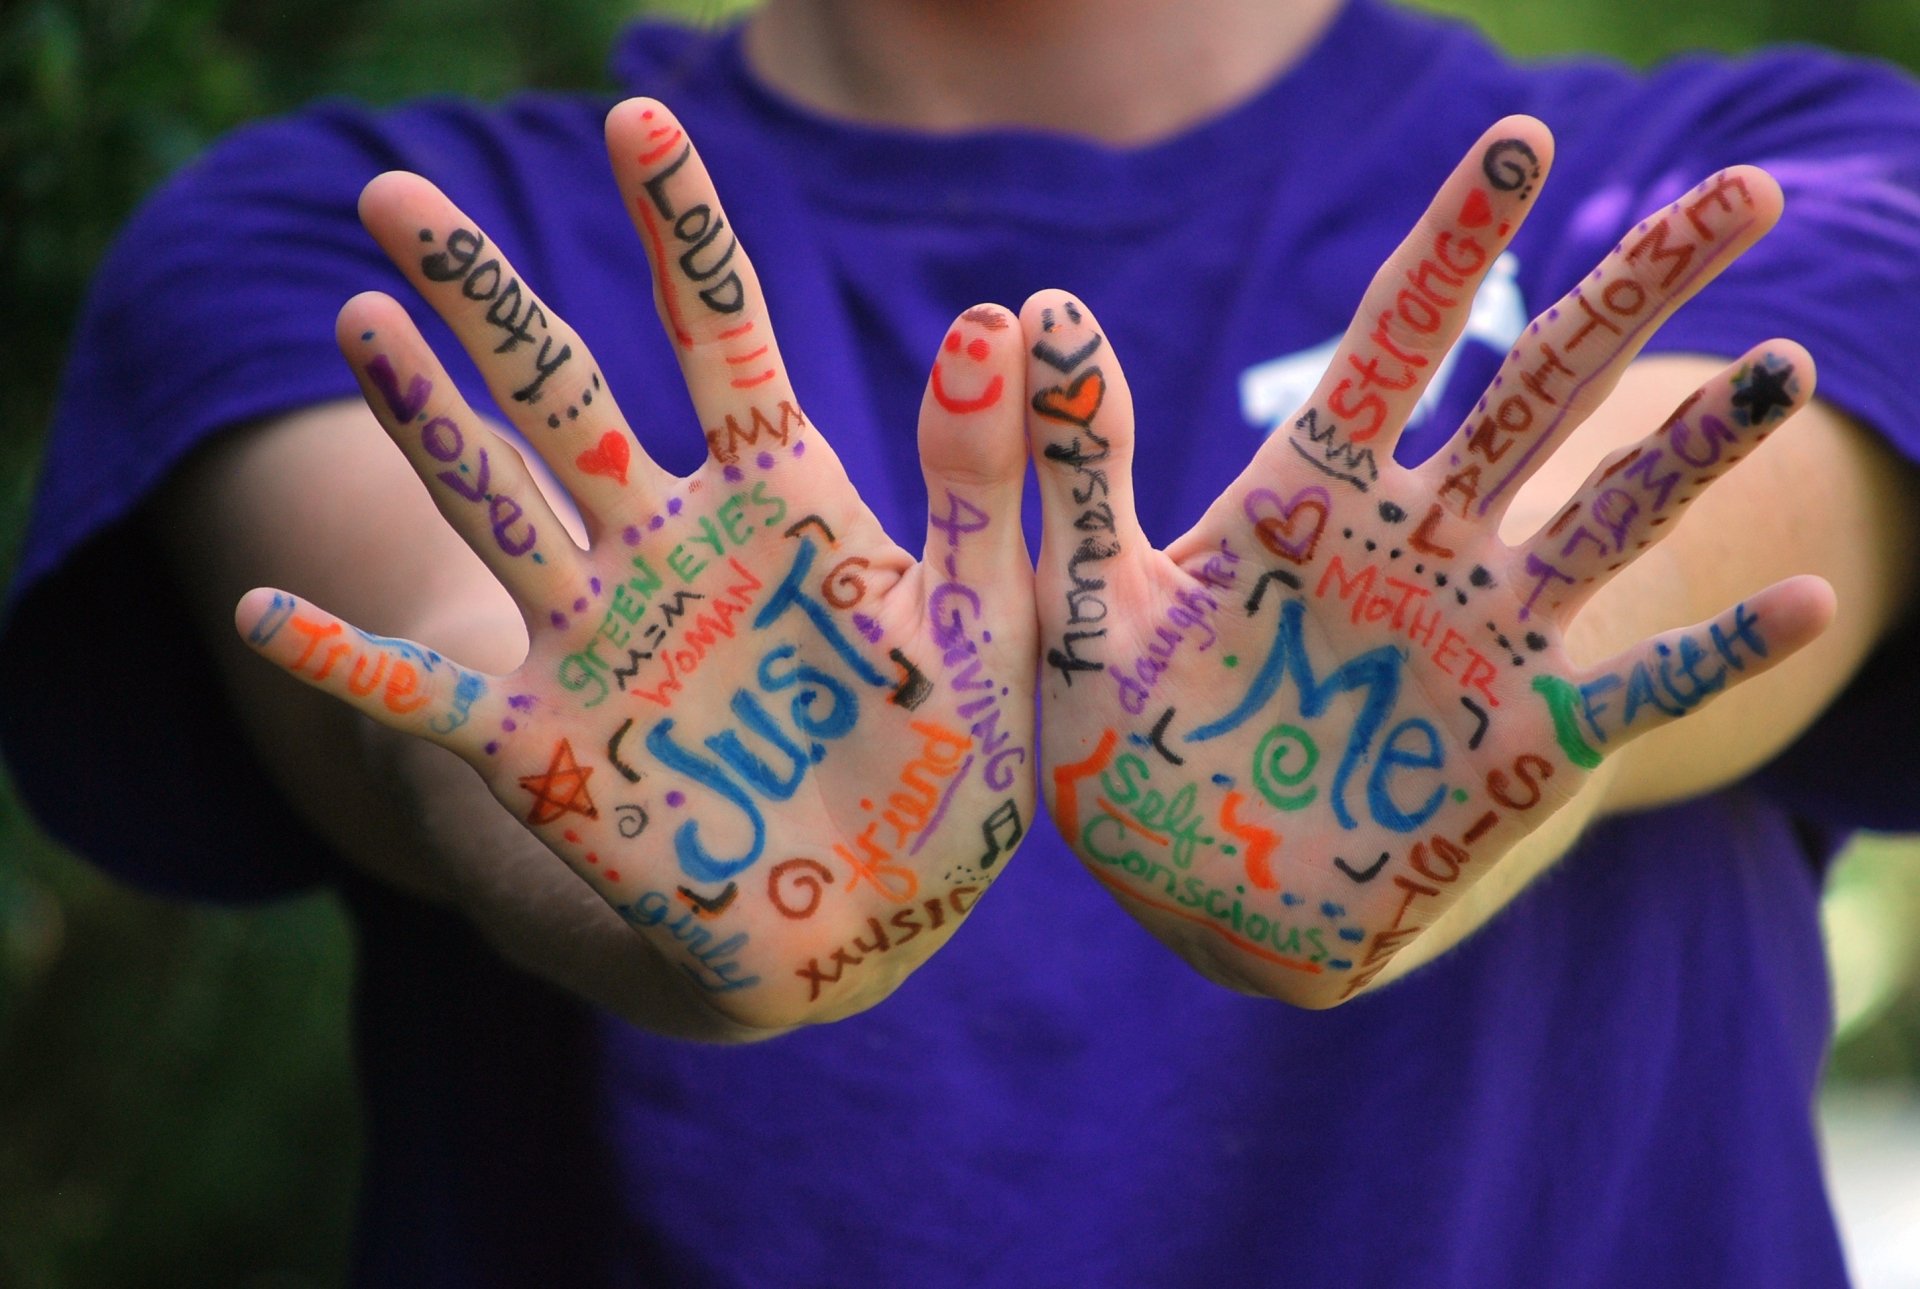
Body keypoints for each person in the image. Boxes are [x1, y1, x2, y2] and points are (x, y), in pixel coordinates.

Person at [5, 0, 1919, 1281]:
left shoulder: (1788, 172)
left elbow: (1697, 571)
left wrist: (1453, 744)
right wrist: (640, 847)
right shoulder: (337, 244)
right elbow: (442, 692)